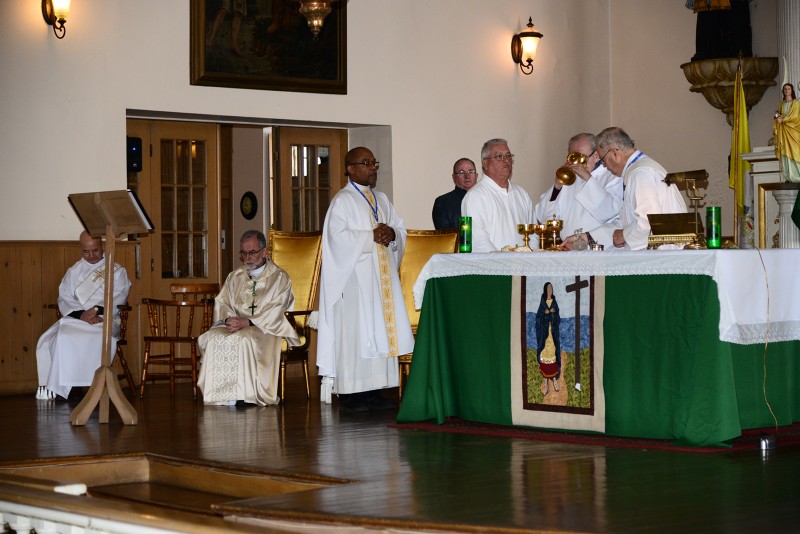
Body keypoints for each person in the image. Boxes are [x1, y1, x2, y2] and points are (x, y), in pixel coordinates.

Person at [317, 146, 414, 412]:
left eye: (374, 163)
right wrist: (370, 236)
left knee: (380, 331)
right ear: (350, 169)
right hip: (354, 283)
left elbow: (400, 228)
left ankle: (374, 391)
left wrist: (392, 234)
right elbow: (335, 239)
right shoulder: (342, 201)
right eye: (366, 163)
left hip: (381, 282)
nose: (372, 168)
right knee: (356, 334)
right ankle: (352, 395)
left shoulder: (381, 199)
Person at [197, 230, 299, 407]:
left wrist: (249, 322)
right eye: (243, 253)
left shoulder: (279, 278)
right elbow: (223, 302)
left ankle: (247, 395)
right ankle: (221, 395)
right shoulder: (235, 276)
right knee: (213, 337)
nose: (247, 258)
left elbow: (278, 309)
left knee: (244, 338)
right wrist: (228, 320)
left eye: (252, 252)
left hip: (267, 328)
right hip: (238, 325)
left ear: (264, 251)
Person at [36, 231, 131, 401]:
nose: (91, 256)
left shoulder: (116, 271)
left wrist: (96, 310)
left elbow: (120, 296)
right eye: (86, 251)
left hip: (105, 319)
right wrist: (82, 315)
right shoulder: (74, 272)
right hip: (78, 319)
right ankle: (69, 387)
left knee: (98, 337)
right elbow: (64, 297)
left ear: (103, 246)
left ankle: (96, 385)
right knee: (63, 336)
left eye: (95, 250)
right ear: (80, 249)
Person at [592, 127, 687, 250]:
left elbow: (648, 220)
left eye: (603, 160)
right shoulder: (643, 168)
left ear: (614, 153)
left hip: (663, 253)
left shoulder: (640, 173)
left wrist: (624, 236)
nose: (604, 166)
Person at [535, 133, 623, 250]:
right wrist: (557, 186)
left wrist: (588, 178)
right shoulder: (570, 180)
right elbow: (544, 218)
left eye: (581, 157)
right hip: (570, 248)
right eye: (572, 157)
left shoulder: (612, 177)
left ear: (596, 155)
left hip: (600, 248)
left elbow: (609, 212)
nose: (576, 162)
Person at [461, 138, 536, 252]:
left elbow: (534, 234)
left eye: (508, 156)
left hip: (525, 262)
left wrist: (532, 257)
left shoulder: (521, 194)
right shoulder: (475, 196)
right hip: (493, 263)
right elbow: (478, 241)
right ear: (485, 163)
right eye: (499, 156)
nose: (505, 160)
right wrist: (504, 262)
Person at [432, 158, 478, 229]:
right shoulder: (443, 202)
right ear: (454, 177)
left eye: (471, 171)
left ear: (476, 176)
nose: (467, 176)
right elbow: (445, 234)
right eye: (461, 172)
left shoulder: (487, 199)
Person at [535, 282, 561, 396]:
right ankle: (546, 383)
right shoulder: (542, 304)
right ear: (545, 290)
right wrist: (545, 314)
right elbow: (538, 319)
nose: (550, 290)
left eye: (551, 288)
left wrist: (554, 314)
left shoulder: (554, 303)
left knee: (553, 356)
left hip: (552, 335)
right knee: (544, 357)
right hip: (544, 336)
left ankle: (554, 380)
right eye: (548, 289)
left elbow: (558, 319)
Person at [774, 82, 800, 183]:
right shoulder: (781, 103)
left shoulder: (796, 103)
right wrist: (777, 117)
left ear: (792, 91)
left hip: (793, 131)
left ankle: (796, 176)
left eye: (789, 89)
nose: (787, 91)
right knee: (784, 152)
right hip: (783, 132)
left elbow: (795, 116)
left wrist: (783, 119)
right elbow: (778, 113)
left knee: (794, 151)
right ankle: (788, 176)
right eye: (785, 89)